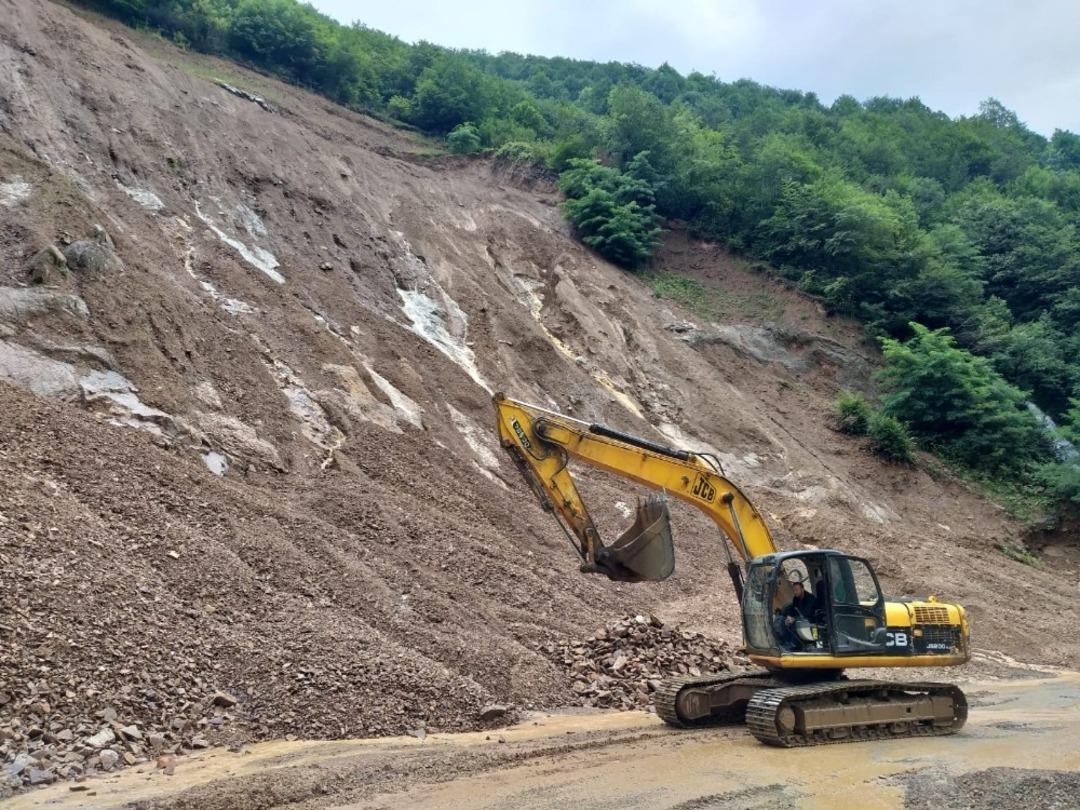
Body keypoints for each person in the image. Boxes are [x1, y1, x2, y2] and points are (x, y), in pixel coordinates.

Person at [773, 575, 818, 651]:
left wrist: (794, 619)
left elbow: (806, 613)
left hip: (809, 620)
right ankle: (783, 642)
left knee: (796, 624)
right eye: (794, 590)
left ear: (802, 589)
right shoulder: (796, 599)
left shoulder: (810, 598)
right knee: (781, 620)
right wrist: (788, 617)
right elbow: (792, 610)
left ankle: (792, 645)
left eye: (797, 590)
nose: (795, 592)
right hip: (798, 619)